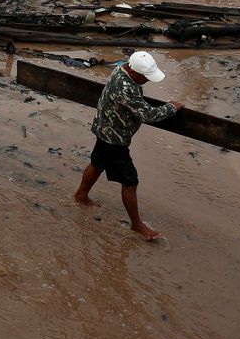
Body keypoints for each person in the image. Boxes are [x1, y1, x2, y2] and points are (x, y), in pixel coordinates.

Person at [74, 51, 183, 241]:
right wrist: (172, 107)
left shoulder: (121, 68)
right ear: (134, 73)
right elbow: (149, 115)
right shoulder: (126, 88)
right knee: (130, 181)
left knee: (97, 163)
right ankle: (136, 224)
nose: (148, 81)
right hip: (115, 138)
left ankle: (81, 195)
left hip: (104, 127)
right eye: (145, 77)